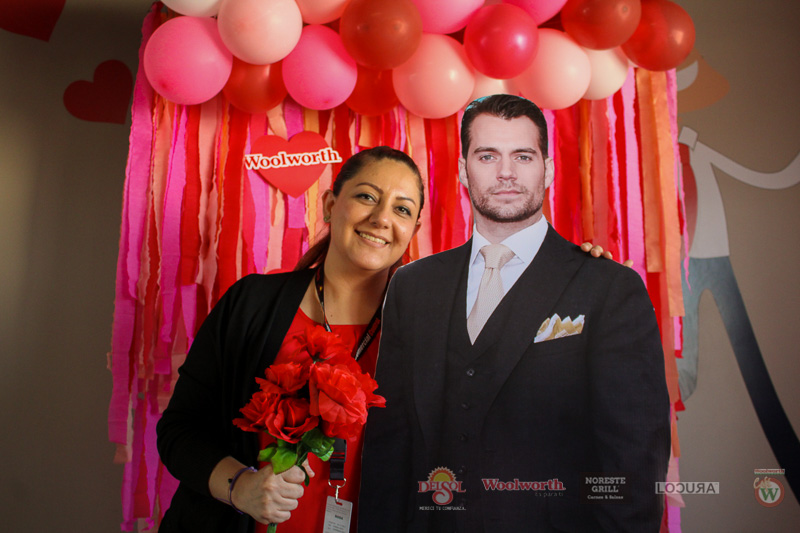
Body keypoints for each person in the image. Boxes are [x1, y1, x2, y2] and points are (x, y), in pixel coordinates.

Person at [359, 95, 671, 532]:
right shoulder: (412, 286)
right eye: (488, 156)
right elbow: (388, 448)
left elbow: (632, 461)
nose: (506, 172)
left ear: (548, 169)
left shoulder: (609, 288)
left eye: (522, 156)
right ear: (463, 170)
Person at [156, 146, 425, 532]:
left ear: (413, 230)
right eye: (367, 196)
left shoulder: (425, 334)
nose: (382, 218)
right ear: (330, 204)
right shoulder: (250, 304)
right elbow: (180, 429)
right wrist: (239, 487)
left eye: (402, 209)